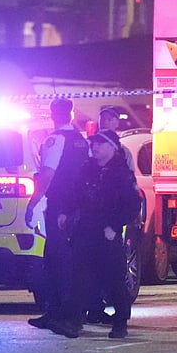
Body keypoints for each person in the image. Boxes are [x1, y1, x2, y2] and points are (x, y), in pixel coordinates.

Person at [52, 129, 141, 339]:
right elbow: (73, 194)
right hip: (85, 231)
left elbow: (132, 204)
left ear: (112, 147)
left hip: (107, 233)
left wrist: (115, 226)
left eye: (100, 144)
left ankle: (120, 323)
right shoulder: (87, 170)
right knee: (80, 277)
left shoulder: (122, 174)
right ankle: (73, 322)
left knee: (114, 279)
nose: (95, 148)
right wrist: (64, 213)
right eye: (93, 144)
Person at [25, 98, 91, 332]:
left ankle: (61, 314)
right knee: (67, 261)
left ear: (54, 115)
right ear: (71, 115)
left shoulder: (55, 140)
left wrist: (33, 203)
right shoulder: (82, 142)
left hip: (59, 206)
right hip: (78, 208)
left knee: (56, 261)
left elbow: (47, 174)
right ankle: (58, 313)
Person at [84, 106, 140, 325]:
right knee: (90, 271)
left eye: (110, 119)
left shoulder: (121, 154)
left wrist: (118, 224)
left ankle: (120, 317)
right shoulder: (93, 149)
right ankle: (93, 309)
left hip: (113, 223)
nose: (105, 122)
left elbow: (129, 194)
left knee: (114, 272)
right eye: (102, 119)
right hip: (93, 223)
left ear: (117, 123)